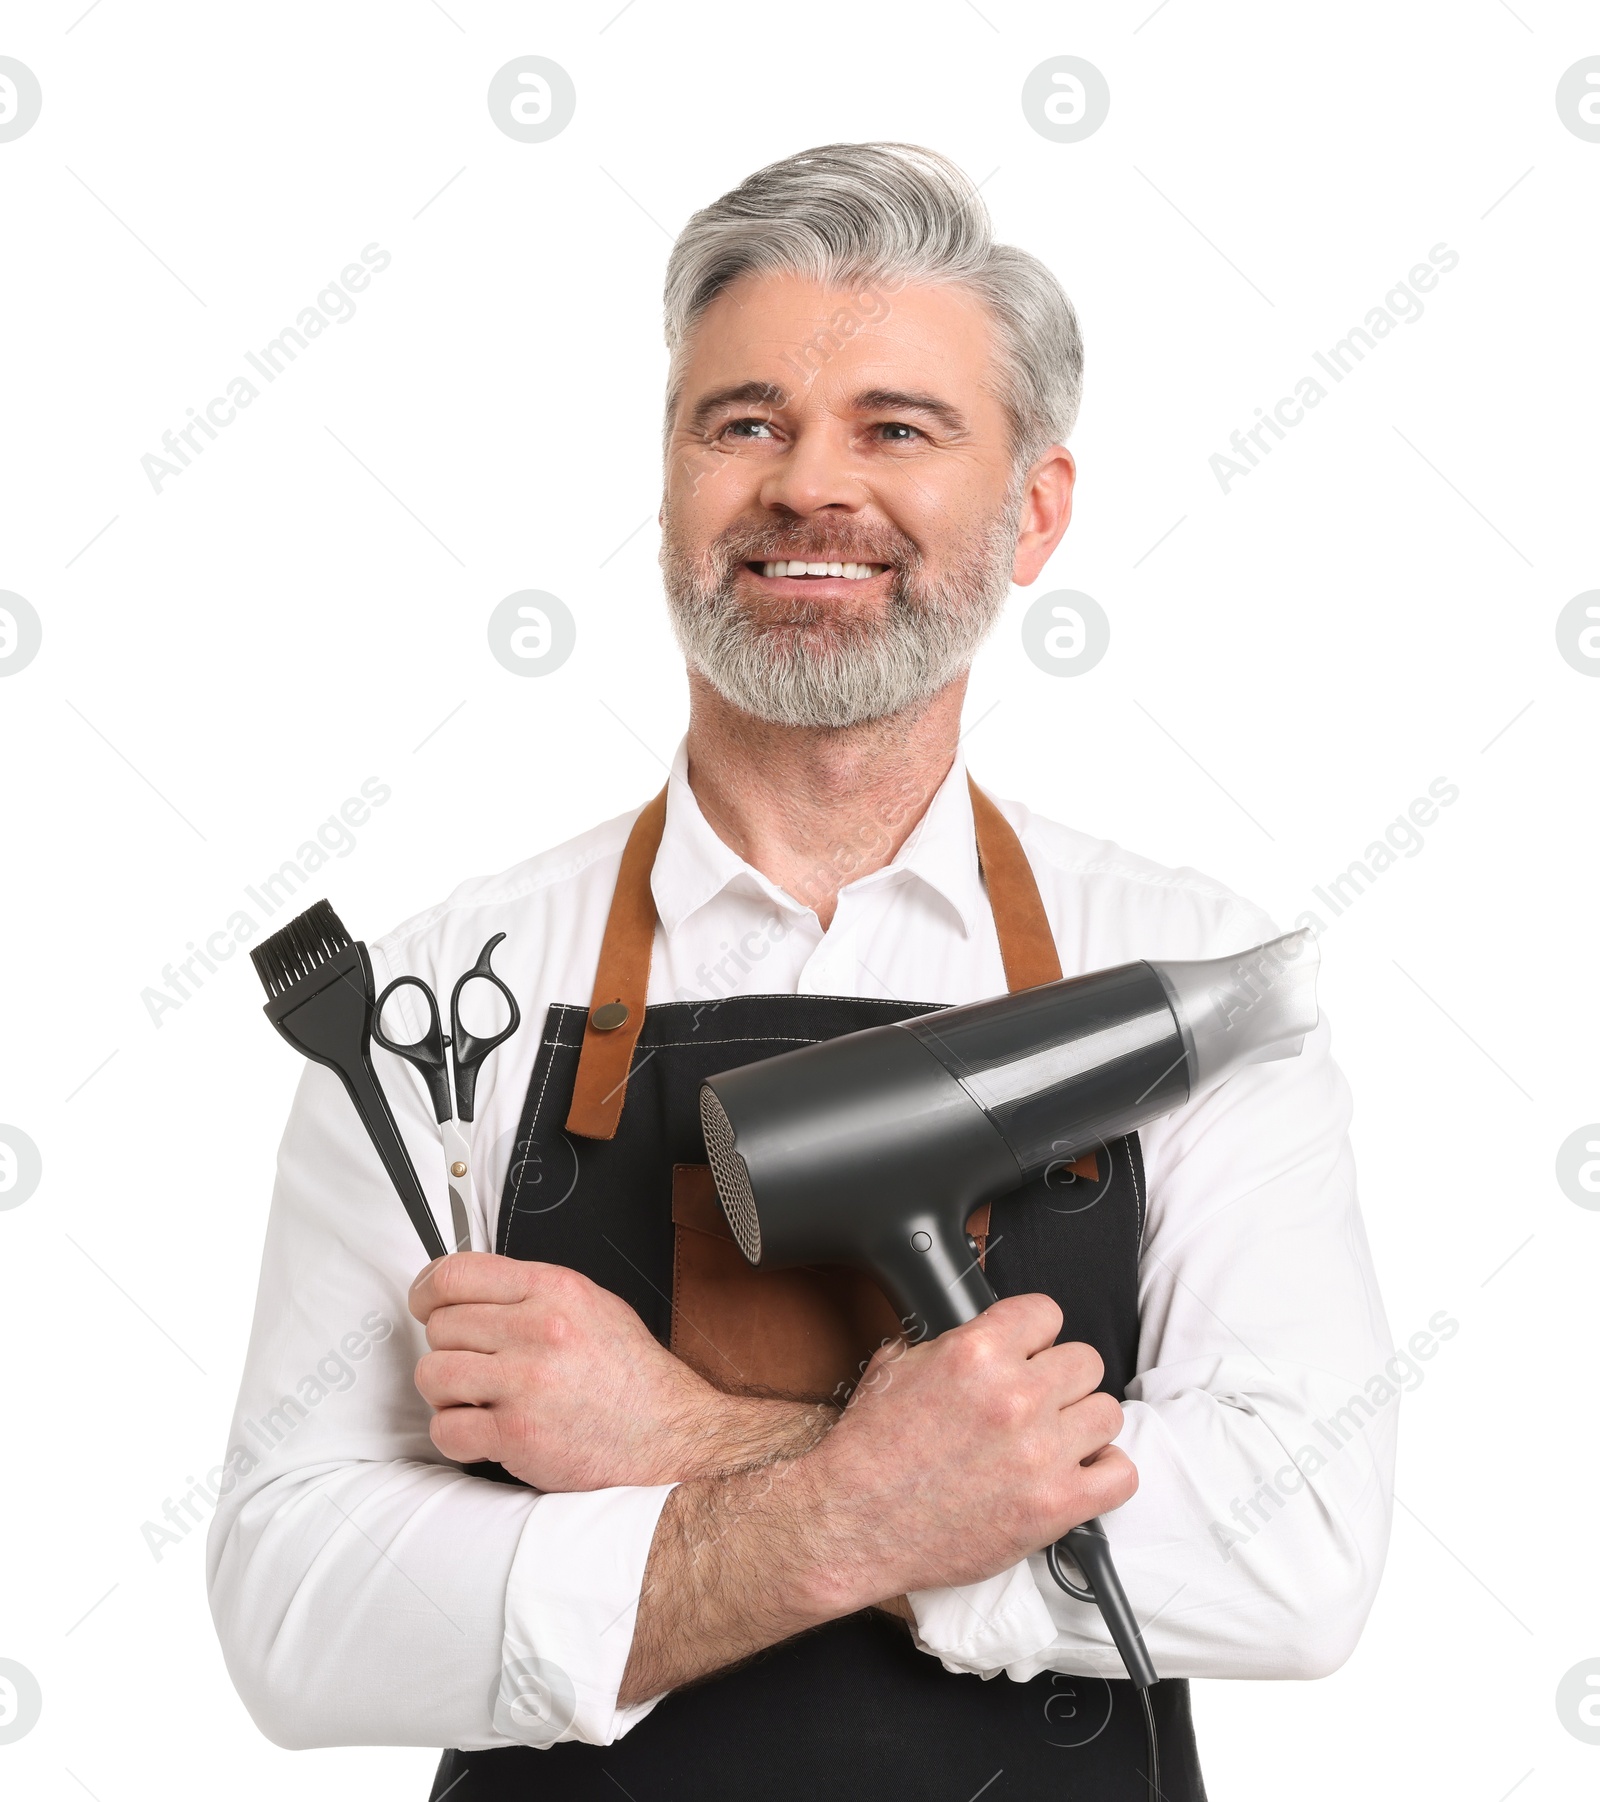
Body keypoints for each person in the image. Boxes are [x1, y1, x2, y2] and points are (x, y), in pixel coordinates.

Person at [208, 143, 1395, 1801]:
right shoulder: (435, 1005)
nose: (807, 487)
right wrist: (866, 1502)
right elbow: (293, 1598)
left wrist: (687, 1442)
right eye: (743, 422)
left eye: (896, 429)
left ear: (1034, 506)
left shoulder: (1187, 980)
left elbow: (1298, 1549)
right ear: (672, 474)